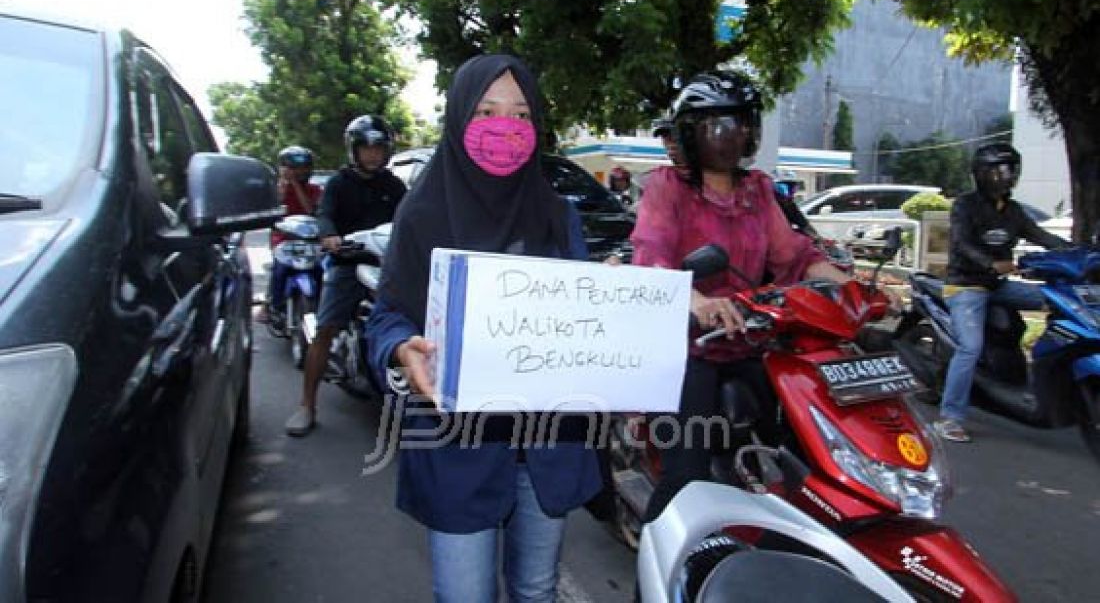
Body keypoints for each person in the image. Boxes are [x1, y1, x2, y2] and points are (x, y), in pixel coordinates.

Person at [365, 54, 601, 603]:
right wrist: (402, 347)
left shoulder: (557, 215)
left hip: (547, 443)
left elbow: (581, 321)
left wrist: (606, 301)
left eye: (521, 114)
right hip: (456, 446)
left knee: (536, 590)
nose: (505, 127)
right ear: (457, 120)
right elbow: (386, 316)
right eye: (487, 111)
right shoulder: (422, 214)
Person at [630, 71, 877, 523]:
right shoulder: (667, 188)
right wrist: (698, 302)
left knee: (808, 448)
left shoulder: (758, 189)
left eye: (740, 124)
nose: (731, 135)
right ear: (690, 133)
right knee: (687, 478)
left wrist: (845, 284)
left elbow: (794, 257)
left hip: (753, 339)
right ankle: (657, 571)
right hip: (691, 350)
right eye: (717, 126)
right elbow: (651, 257)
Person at [934, 142, 1069, 443]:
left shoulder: (1013, 210)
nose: (1005, 176)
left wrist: (1074, 252)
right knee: (969, 347)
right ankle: (949, 417)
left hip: (999, 287)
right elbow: (961, 244)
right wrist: (992, 264)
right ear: (981, 173)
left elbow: (1040, 235)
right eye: (998, 170)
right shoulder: (965, 205)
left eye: (1010, 169)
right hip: (966, 286)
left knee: (1058, 302)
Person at [284, 115, 407, 437]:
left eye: (379, 148)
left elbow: (412, 215)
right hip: (348, 263)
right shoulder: (339, 184)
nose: (373, 155)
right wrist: (329, 237)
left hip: (387, 265)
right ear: (353, 150)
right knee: (326, 328)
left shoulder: (394, 186)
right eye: (366, 148)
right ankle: (307, 405)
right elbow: (324, 213)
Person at [262, 145, 323, 324]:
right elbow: (275, 207)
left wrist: (296, 185)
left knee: (319, 270)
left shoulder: (314, 190)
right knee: (280, 270)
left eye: (303, 168)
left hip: (309, 239)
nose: (299, 172)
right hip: (283, 239)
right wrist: (283, 184)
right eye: (293, 168)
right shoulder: (277, 188)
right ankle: (275, 305)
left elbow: (310, 210)